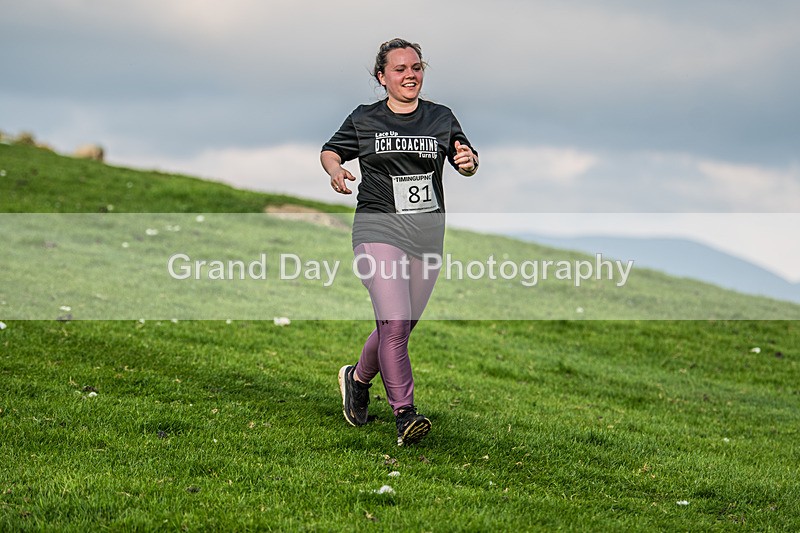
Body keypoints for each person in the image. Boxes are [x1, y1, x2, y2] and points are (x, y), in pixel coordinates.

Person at [321, 38, 479, 446]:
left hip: (427, 235)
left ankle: (357, 378)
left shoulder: (441, 117)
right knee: (393, 322)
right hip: (378, 228)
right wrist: (336, 170)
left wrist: (467, 162)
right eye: (400, 69)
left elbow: (465, 155)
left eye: (416, 67)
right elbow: (331, 151)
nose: (410, 75)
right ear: (382, 77)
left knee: (401, 326)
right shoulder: (365, 118)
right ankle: (404, 414)